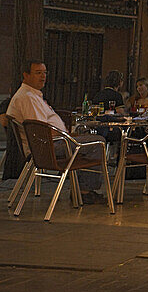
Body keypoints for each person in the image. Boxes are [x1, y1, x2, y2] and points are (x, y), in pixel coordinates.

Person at [4, 60, 108, 204]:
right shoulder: (27, 97)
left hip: (51, 144)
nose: (43, 76)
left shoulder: (32, 95)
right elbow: (40, 131)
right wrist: (66, 137)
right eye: (38, 73)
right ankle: (84, 192)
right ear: (26, 75)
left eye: (45, 73)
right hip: (47, 148)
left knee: (88, 140)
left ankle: (81, 189)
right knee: (98, 142)